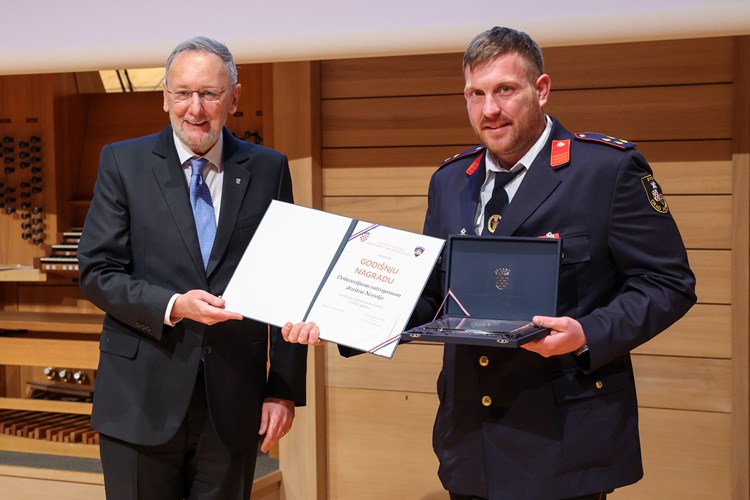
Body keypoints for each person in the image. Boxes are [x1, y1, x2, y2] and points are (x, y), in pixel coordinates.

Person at [283, 26, 696, 500]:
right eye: (475, 94)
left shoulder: (605, 170)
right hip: (469, 436)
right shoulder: (450, 180)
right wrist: (343, 318)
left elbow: (667, 283)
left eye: (505, 90)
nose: (489, 109)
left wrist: (587, 333)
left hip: (563, 437)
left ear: (541, 90)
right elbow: (434, 295)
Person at [78, 36, 308, 500]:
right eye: (182, 93)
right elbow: (98, 271)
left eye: (209, 93)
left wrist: (282, 390)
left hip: (234, 402)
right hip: (139, 398)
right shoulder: (123, 162)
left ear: (234, 98)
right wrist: (174, 305)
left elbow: (288, 283)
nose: (195, 109)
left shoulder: (269, 169)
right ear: (165, 97)